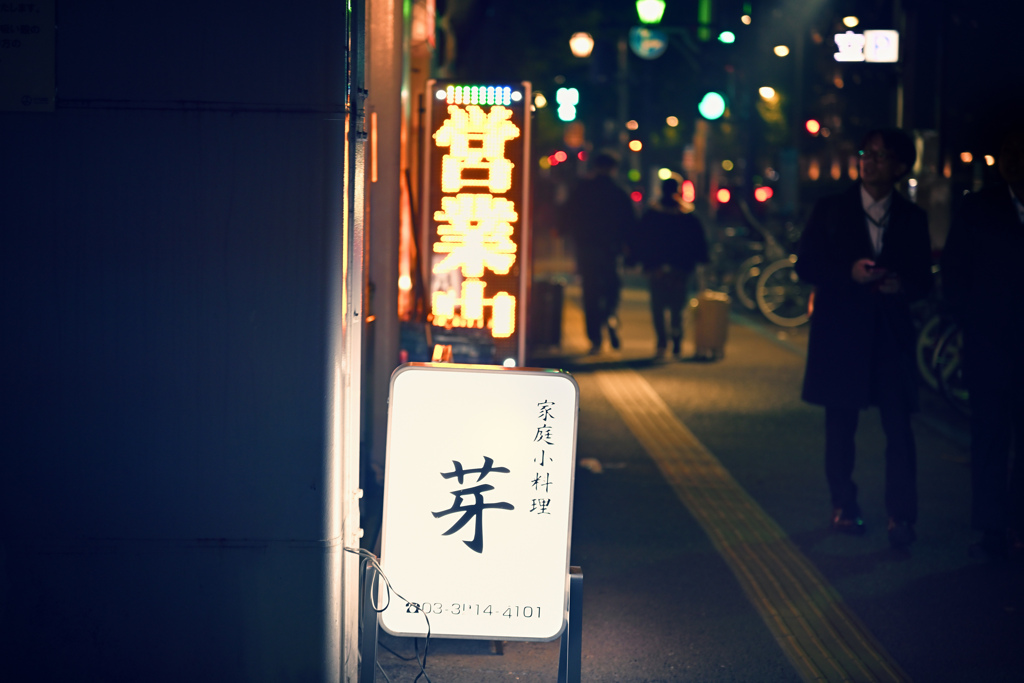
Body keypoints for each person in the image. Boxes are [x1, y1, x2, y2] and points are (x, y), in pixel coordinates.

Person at [794, 128, 933, 549]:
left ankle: (902, 516)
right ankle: (843, 504)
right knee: (840, 425)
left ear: (900, 167)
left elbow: (924, 279)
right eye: (866, 153)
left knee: (899, 428)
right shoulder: (832, 209)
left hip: (890, 335)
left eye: (880, 156)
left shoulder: (911, 217)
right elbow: (805, 266)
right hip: (842, 332)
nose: (869, 161)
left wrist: (902, 285)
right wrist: (847, 274)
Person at [941, 124, 1024, 560]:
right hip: (990, 345)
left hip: (999, 344)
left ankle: (1014, 525)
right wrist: (974, 321)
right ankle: (994, 530)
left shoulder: (982, 208)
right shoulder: (980, 209)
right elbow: (955, 276)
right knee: (990, 440)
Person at [562, 152, 634, 354]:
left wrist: (562, 232)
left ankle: (595, 336)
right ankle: (609, 315)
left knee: (590, 291)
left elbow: (568, 214)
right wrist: (631, 251)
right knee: (613, 286)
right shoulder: (618, 192)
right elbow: (630, 224)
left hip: (586, 247)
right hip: (611, 249)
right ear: (613, 169)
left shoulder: (583, 190)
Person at [631, 177, 710, 358]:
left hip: (656, 268)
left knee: (658, 306)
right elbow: (698, 242)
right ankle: (676, 338)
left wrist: (638, 261)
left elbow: (641, 239)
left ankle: (661, 342)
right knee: (677, 305)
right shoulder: (687, 215)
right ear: (678, 190)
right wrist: (703, 260)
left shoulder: (652, 214)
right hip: (681, 268)